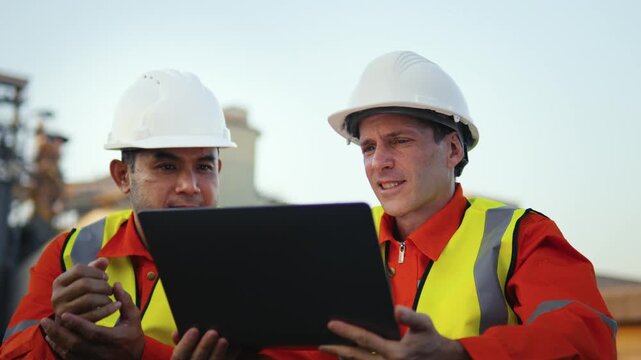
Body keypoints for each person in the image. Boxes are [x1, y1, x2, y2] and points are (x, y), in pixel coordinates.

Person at [314, 51, 617, 359]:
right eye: (368, 147)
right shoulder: (347, 238)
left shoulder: (520, 235)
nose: (379, 162)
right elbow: (305, 346)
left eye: (400, 141)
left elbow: (585, 340)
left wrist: (458, 354)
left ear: (453, 150)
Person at [0, 69, 237, 359]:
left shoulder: (252, 256)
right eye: (166, 167)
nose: (190, 186)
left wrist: (141, 354)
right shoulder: (69, 253)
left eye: (204, 167)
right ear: (123, 176)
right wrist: (55, 334)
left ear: (218, 171)